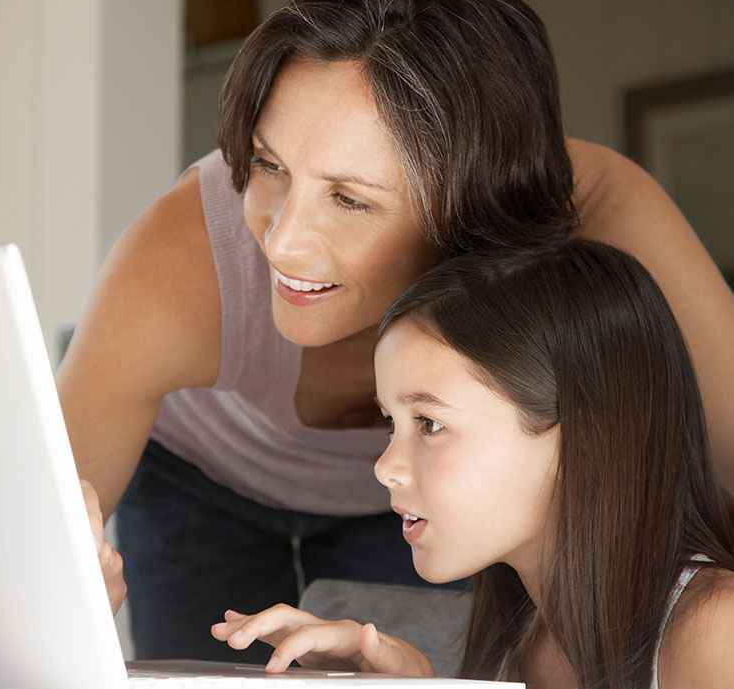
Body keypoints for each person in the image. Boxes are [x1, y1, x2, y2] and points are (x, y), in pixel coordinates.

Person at [59, 0, 734, 663]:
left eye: (351, 199)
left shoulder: (598, 215)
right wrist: (59, 592)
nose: (282, 243)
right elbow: (28, 541)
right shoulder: (175, 261)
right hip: (198, 476)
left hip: (430, 499)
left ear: (470, 211)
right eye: (267, 165)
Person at [212, 240, 734, 688]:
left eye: (430, 424)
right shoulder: (516, 639)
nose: (384, 468)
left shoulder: (717, 633)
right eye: (390, 424)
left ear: (581, 437)